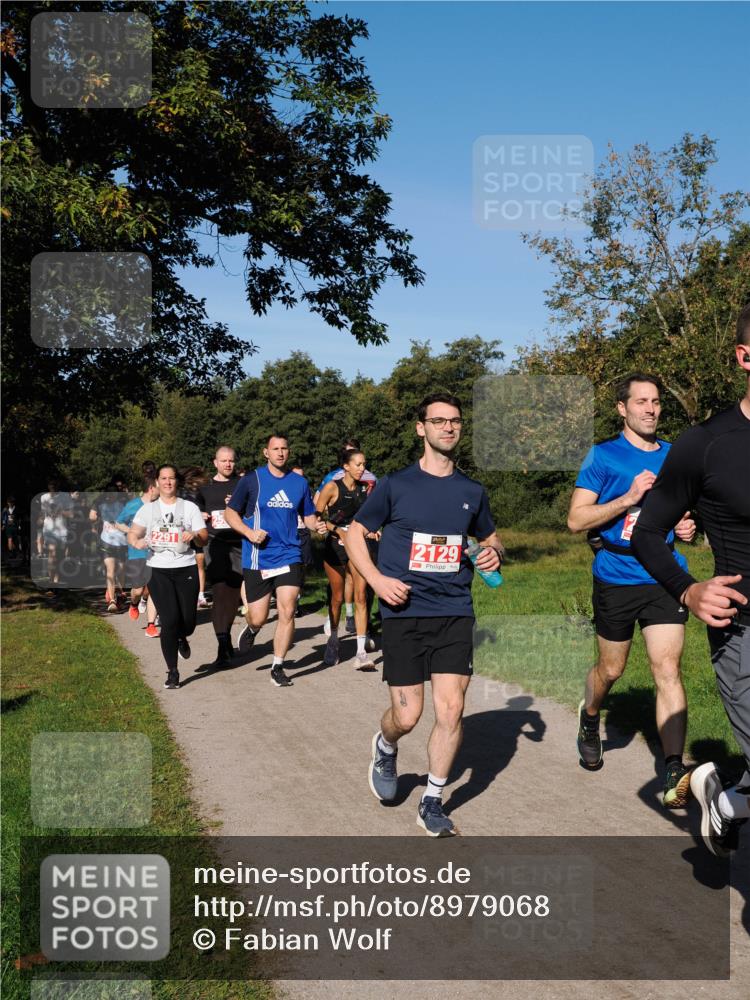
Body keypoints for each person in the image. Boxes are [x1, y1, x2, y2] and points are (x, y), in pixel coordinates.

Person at [344, 393, 503, 837]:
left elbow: (491, 538)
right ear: (421, 428)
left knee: (451, 709)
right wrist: (375, 582)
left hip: (454, 610)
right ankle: (386, 743)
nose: (448, 428)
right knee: (409, 716)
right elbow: (354, 535)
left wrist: (491, 554)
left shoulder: (472, 491)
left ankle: (431, 800)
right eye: (438, 421)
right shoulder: (395, 485)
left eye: (454, 421)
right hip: (403, 612)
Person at [632, 308, 750, 856]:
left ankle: (727, 803)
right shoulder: (705, 444)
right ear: (744, 358)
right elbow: (648, 534)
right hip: (741, 628)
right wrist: (688, 589)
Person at [568, 373, 696, 806]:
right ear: (622, 408)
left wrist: (685, 525)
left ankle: (674, 768)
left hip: (663, 577)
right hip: (616, 578)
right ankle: (589, 717)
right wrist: (628, 497)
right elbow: (576, 520)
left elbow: (682, 514)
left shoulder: (676, 456)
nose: (651, 409)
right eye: (641, 401)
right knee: (611, 671)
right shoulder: (603, 457)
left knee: (668, 670)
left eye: (656, 401)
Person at [223, 435, 323, 688]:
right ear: (265, 452)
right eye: (275, 449)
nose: (280, 453)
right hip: (259, 556)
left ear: (289, 452)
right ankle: (253, 629)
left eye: (284, 449)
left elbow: (308, 515)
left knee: (287, 609)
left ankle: (277, 665)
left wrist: (317, 525)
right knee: (258, 616)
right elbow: (230, 512)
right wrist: (248, 532)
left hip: (290, 553)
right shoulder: (251, 480)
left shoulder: (299, 483)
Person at [128, 464, 208, 689]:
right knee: (170, 621)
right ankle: (172, 671)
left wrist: (194, 535)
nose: (167, 482)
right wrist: (137, 542)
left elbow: (204, 537)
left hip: (186, 567)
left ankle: (183, 636)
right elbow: (133, 534)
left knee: (189, 622)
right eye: (163, 478)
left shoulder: (189, 508)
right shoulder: (148, 510)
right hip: (158, 569)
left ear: (177, 482)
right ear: (156, 482)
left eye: (171, 478)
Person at [317, 448, 377, 670]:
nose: (363, 469)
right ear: (346, 466)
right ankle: (333, 641)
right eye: (359, 464)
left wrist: (372, 530)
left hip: (357, 546)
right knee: (337, 597)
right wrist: (337, 530)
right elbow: (318, 515)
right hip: (334, 547)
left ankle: (361, 652)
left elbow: (369, 517)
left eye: (364, 464)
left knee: (361, 596)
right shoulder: (332, 487)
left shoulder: (365, 489)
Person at [196, 446, 243, 667]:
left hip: (239, 544)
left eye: (231, 461)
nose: (227, 464)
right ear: (215, 462)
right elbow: (195, 515)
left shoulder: (242, 485)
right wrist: (201, 515)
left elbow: (252, 510)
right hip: (215, 544)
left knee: (233, 597)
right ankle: (222, 644)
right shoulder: (205, 489)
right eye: (223, 461)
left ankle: (226, 637)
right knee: (219, 591)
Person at [116, 476, 160, 634]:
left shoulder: (161, 505)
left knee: (155, 588)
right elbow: (118, 522)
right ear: (151, 488)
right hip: (136, 553)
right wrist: (132, 532)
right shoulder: (133, 505)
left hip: (156, 553)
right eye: (159, 486)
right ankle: (134, 604)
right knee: (138, 590)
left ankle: (151, 625)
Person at [90, 477, 130, 612]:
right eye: (109, 491)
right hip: (107, 541)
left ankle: (120, 593)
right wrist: (94, 515)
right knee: (110, 571)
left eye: (114, 491)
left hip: (122, 542)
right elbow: (92, 516)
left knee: (122, 570)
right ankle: (112, 600)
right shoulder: (99, 503)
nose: (112, 494)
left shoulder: (123, 503)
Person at [180, 466, 211, 608]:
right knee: (182, 565)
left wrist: (205, 514)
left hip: (198, 532)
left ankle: (200, 594)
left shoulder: (203, 491)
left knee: (200, 562)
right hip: (182, 533)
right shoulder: (180, 493)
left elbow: (209, 508)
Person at [39, 480, 73, 587]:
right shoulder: (43, 497)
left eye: (54, 484)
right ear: (48, 485)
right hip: (48, 530)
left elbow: (71, 514)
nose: (52, 486)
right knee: (52, 554)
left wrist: (60, 512)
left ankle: (56, 579)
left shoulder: (65, 496)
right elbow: (43, 513)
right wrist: (39, 520)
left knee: (59, 556)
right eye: (50, 484)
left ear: (58, 484)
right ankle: (51, 581)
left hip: (62, 530)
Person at [2, 496, 21, 563]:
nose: (10, 503)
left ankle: (15, 552)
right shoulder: (5, 510)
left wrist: (19, 525)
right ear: (7, 503)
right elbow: (4, 518)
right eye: (9, 502)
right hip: (8, 526)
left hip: (15, 526)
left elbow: (19, 518)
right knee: (10, 539)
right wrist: (4, 525)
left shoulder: (16, 509)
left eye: (11, 502)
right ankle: (11, 553)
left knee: (15, 540)